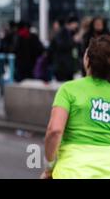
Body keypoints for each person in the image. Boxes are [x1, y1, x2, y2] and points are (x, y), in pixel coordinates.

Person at [42, 35, 110, 179]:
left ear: (87, 61)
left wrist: (49, 168)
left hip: (72, 172)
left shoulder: (69, 89)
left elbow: (54, 131)